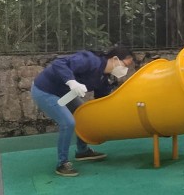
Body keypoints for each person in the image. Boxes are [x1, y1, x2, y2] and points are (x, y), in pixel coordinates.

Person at [30, 44, 136, 177]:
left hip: (66, 94)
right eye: (125, 65)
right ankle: (62, 163)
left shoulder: (104, 78)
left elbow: (102, 99)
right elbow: (59, 63)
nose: (125, 70)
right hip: (45, 90)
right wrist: (71, 81)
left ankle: (82, 151)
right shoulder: (90, 60)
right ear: (115, 59)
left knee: (83, 115)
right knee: (68, 123)